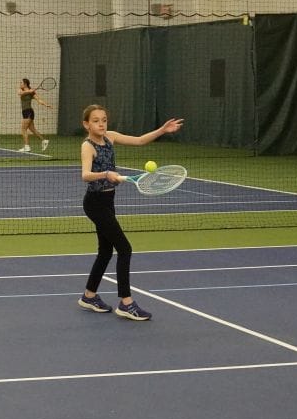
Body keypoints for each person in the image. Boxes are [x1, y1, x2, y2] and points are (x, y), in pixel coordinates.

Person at [77, 104, 184, 321]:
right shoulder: (88, 146)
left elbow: (140, 140)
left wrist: (162, 130)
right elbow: (85, 175)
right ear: (86, 124)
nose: (101, 124)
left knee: (106, 251)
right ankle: (126, 303)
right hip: (95, 203)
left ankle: (89, 295)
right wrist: (105, 173)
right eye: (96, 120)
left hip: (108, 201)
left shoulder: (111, 137)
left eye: (104, 120)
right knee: (124, 249)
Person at [18, 78, 51, 153]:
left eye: (21, 82)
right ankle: (44, 140)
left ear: (25, 84)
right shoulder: (21, 90)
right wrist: (29, 91)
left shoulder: (32, 92)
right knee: (32, 129)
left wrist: (46, 105)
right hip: (25, 112)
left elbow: (39, 100)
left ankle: (27, 147)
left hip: (28, 111)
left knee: (23, 129)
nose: (20, 84)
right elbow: (20, 93)